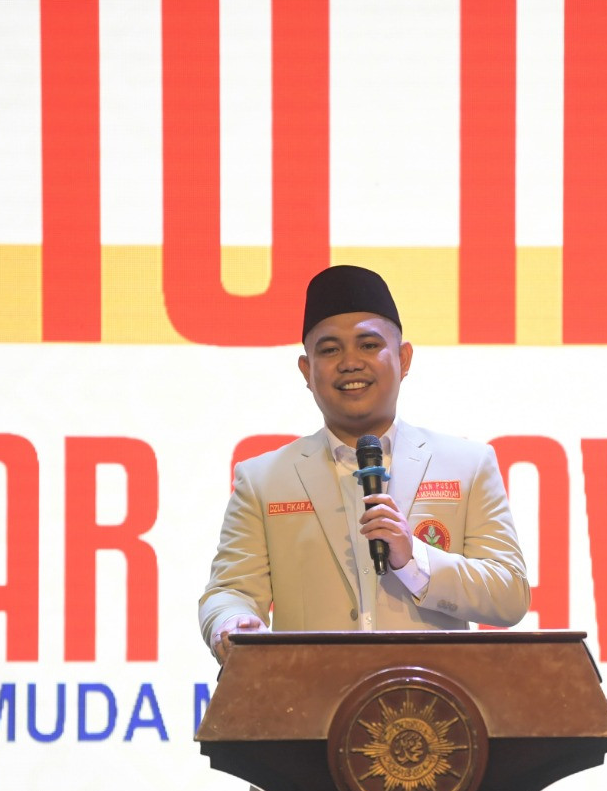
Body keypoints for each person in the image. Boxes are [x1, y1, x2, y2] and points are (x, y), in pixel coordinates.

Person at [197, 264, 529, 662]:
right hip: (313, 695)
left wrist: (414, 559)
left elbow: (509, 594)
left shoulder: (467, 464)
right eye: (330, 350)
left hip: (432, 695)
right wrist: (230, 621)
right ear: (307, 370)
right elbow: (230, 591)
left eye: (369, 345)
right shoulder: (263, 479)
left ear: (404, 358)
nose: (350, 362)